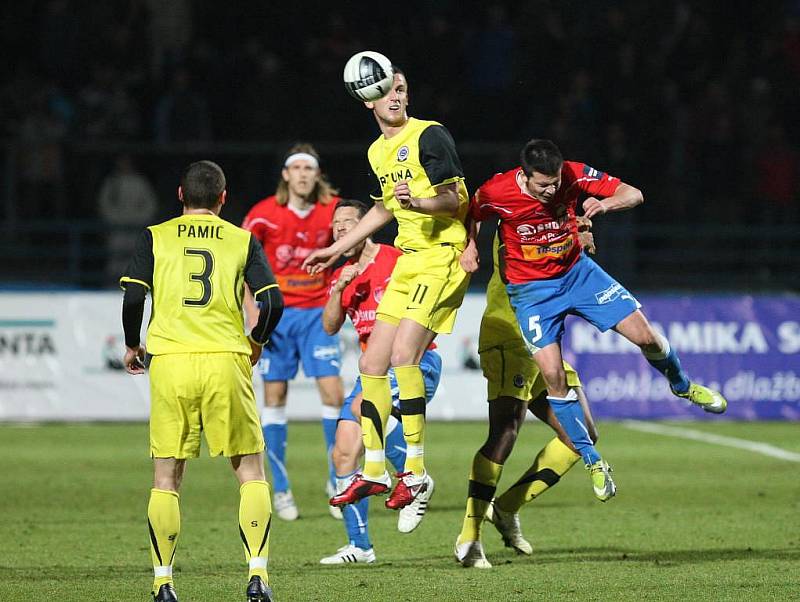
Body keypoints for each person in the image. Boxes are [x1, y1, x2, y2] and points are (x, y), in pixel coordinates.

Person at [467, 139, 728, 499]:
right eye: (543, 184)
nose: (552, 189)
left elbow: (633, 193)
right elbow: (472, 212)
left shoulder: (573, 173)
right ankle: (592, 460)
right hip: (532, 293)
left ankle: (682, 385)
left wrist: (602, 205)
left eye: (556, 182)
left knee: (646, 337)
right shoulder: (497, 190)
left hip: (578, 275)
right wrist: (468, 247)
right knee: (554, 376)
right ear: (524, 177)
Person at [303, 68, 470, 510]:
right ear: (368, 100)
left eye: (401, 90)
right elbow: (381, 210)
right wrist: (336, 250)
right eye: (386, 90)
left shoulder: (430, 135)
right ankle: (375, 469)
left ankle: (414, 471)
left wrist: (420, 202)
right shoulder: (378, 151)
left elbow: (454, 199)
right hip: (411, 259)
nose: (395, 96)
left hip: (442, 256)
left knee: (402, 357)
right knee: (371, 361)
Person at [120, 160, 284, 602]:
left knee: (167, 477)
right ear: (223, 198)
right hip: (226, 360)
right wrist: (256, 341)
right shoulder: (241, 239)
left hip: (171, 360)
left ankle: (163, 582)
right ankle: (257, 575)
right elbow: (271, 302)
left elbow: (134, 294)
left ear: (179, 195)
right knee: (250, 471)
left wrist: (133, 345)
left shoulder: (154, 236)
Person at [454, 222, 600, 568]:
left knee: (582, 435)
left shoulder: (558, 217)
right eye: (546, 183)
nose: (553, 189)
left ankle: (505, 508)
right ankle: (469, 537)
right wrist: (567, 245)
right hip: (510, 335)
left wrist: (578, 250)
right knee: (505, 431)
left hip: (544, 341)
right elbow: (512, 269)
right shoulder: (515, 216)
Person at [318, 199, 442, 565]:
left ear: (367, 226)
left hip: (414, 362)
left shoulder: (397, 258)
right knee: (342, 451)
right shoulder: (341, 274)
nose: (341, 230)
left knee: (360, 408)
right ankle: (361, 546)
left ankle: (413, 475)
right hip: (373, 374)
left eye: (349, 223)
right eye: (336, 225)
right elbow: (328, 326)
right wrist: (340, 290)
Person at [242, 143, 344, 521]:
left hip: (318, 314)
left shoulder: (333, 210)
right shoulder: (264, 215)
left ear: (317, 175)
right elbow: (242, 265)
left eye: (309, 168)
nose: (302, 174)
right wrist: (254, 313)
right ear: (286, 174)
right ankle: (281, 489)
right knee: (275, 396)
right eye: (296, 168)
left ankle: (339, 478)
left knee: (334, 392)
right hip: (279, 317)